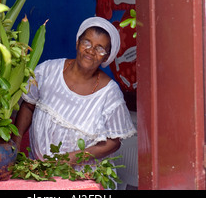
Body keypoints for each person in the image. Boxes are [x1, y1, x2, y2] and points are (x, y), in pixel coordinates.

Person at [13, 16, 136, 167]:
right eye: (87, 42)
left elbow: (114, 142)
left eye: (100, 48)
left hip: (82, 175)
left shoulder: (109, 93)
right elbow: (28, 106)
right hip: (41, 170)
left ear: (107, 57)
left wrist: (74, 158)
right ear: (78, 43)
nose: (91, 51)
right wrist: (15, 144)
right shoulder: (47, 71)